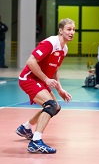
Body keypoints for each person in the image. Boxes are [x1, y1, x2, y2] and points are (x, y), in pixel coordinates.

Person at [15, 18, 75, 154]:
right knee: (50, 105)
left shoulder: (64, 48)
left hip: (40, 80)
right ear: (61, 31)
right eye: (69, 29)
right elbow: (30, 62)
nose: (72, 32)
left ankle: (26, 127)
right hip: (28, 79)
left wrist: (59, 89)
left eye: (73, 30)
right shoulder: (50, 43)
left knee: (56, 107)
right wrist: (46, 79)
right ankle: (36, 142)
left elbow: (55, 70)